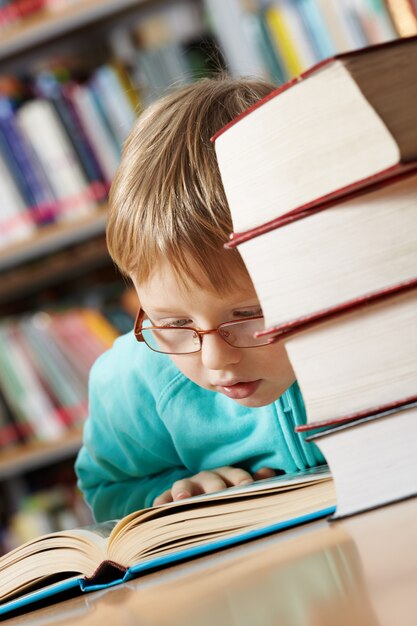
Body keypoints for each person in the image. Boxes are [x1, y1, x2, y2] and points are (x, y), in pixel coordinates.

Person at [75, 76, 325, 522]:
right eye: (172, 324)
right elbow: (108, 491)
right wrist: (167, 495)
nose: (216, 360)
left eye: (249, 315)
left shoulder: (374, 330)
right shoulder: (131, 384)